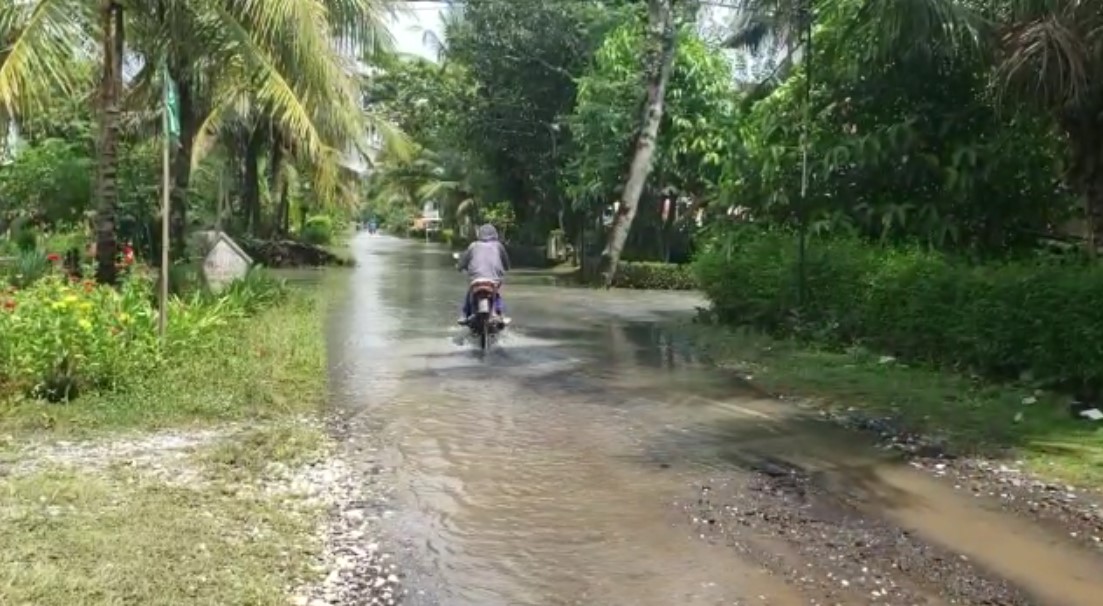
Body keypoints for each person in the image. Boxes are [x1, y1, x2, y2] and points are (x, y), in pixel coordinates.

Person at [456, 223, 511, 325]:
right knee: (497, 294)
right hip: (494, 281)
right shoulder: (499, 246)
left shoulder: (473, 246)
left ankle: (464, 315)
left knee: (469, 293)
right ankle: (501, 315)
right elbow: (507, 265)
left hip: (476, 281)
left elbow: (462, 263)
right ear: (495, 234)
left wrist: (459, 267)